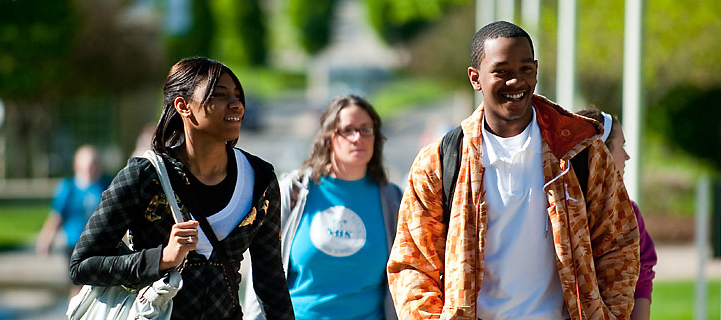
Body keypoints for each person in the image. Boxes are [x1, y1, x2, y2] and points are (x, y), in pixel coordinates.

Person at [386, 21, 639, 319]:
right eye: (501, 71)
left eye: (525, 70)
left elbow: (619, 244)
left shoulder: (581, 153)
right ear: (475, 78)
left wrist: (610, 313)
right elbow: (413, 263)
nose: (515, 81)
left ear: (536, 70)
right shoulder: (439, 162)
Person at [70, 57, 294, 319]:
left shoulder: (260, 179)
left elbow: (271, 283)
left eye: (237, 95)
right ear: (183, 106)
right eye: (219, 95)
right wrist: (162, 258)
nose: (236, 105)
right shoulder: (144, 176)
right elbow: (83, 265)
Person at [242, 96, 403, 320]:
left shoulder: (392, 199)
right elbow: (262, 272)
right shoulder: (292, 192)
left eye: (366, 129)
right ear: (328, 138)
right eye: (348, 130)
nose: (358, 138)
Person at [575, 108, 657, 320]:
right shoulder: (560, 212)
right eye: (622, 146)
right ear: (601, 153)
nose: (627, 156)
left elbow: (642, 278)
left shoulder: (628, 213)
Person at [35, 145, 109, 261]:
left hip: (101, 245)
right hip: (75, 244)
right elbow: (57, 216)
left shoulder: (106, 186)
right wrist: (47, 240)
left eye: (93, 164)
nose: (90, 169)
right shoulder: (68, 188)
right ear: (77, 166)